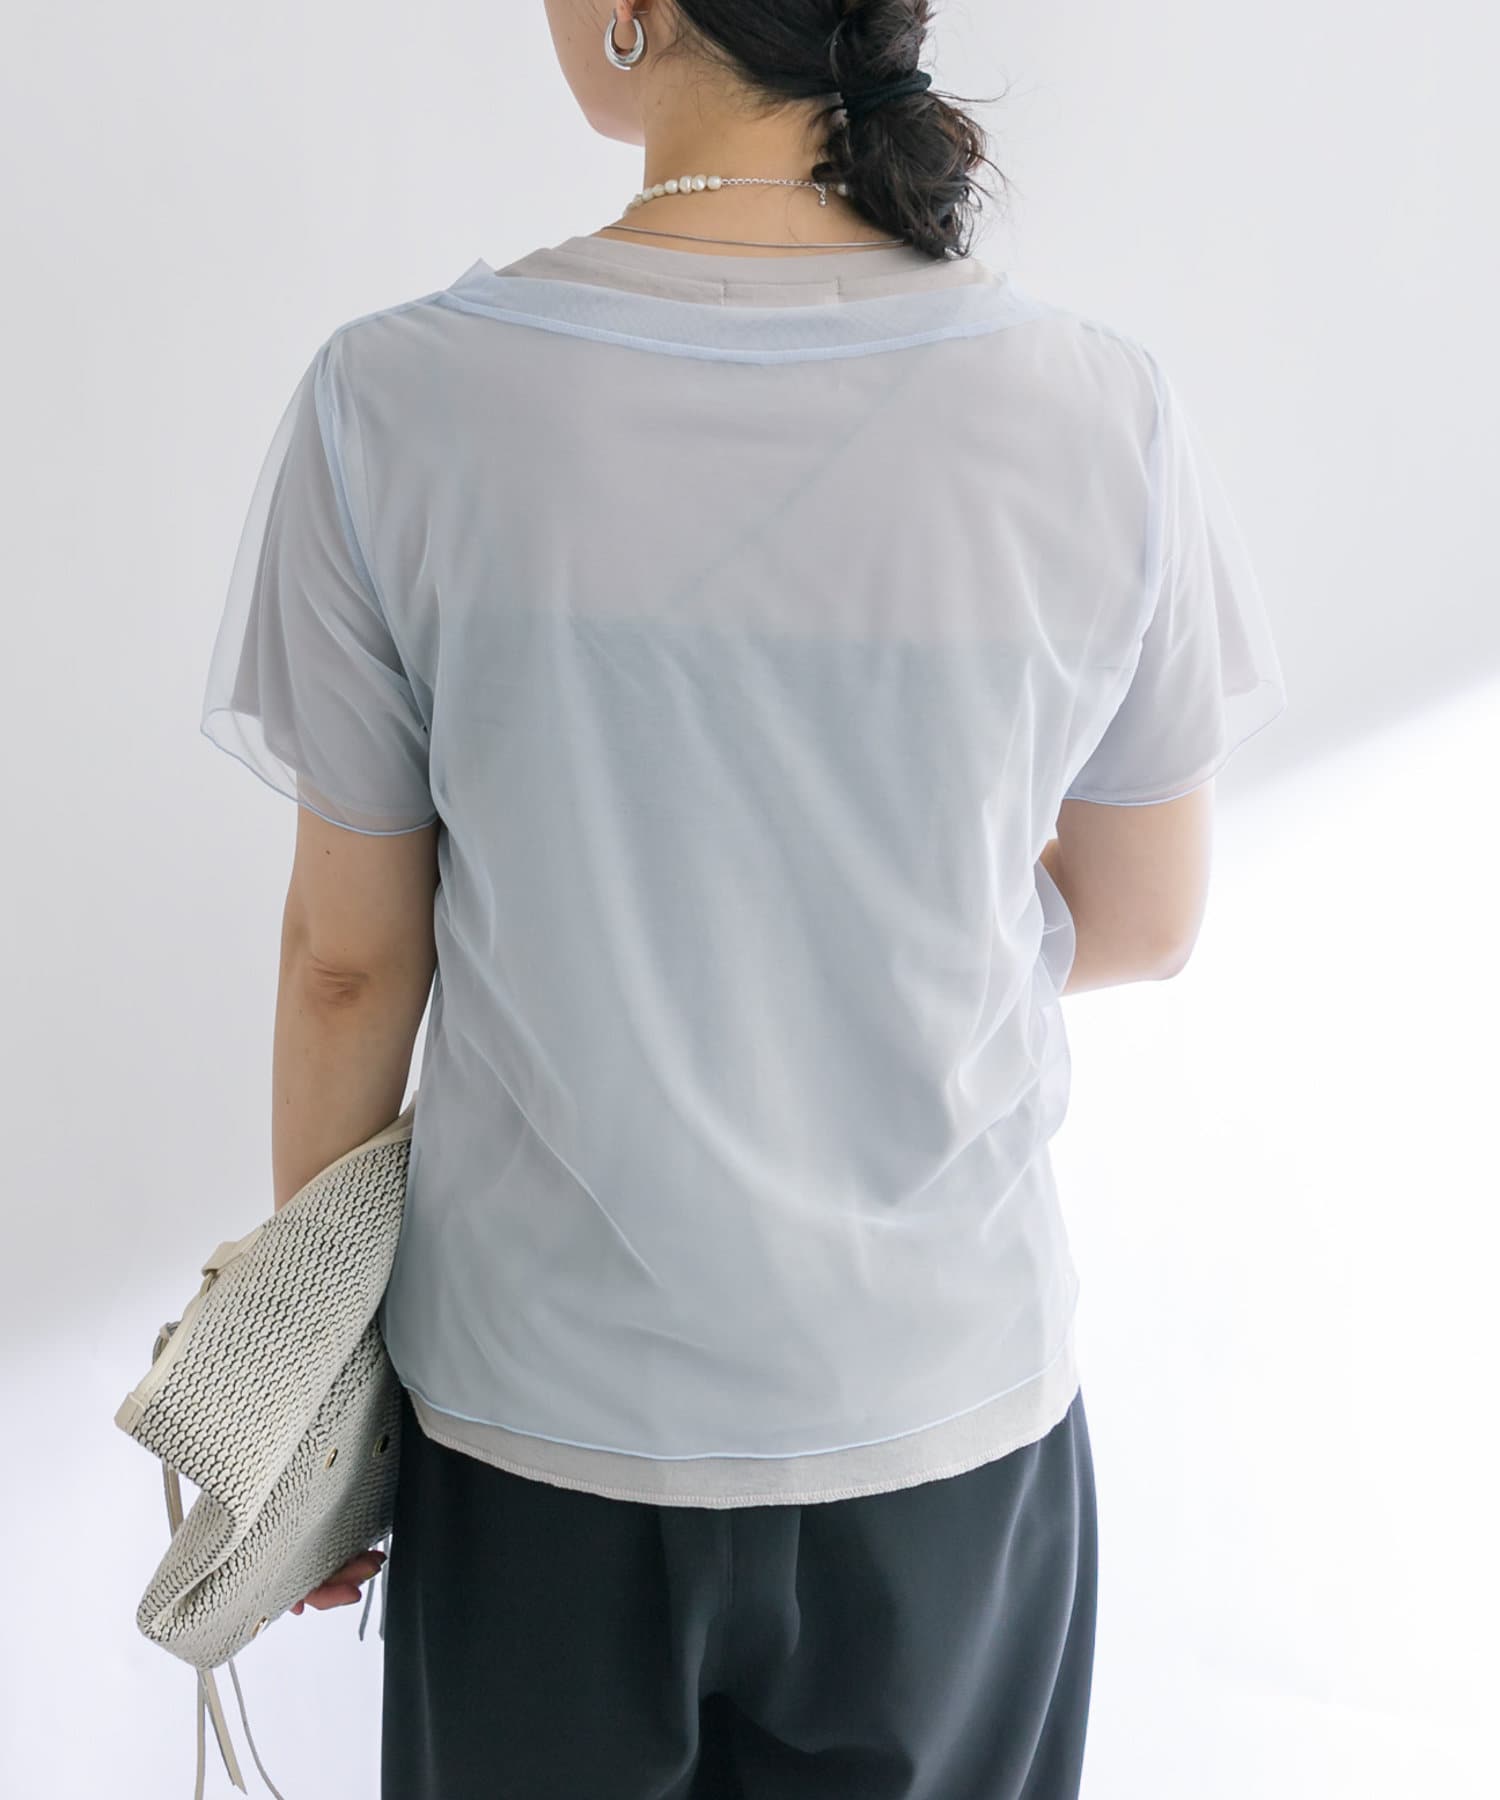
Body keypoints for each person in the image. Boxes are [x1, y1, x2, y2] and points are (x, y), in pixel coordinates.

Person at [199, 2, 1289, 1794]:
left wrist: (308, 1395)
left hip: (538, 1434)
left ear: (638, 10)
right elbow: (1148, 915)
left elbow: (346, 965)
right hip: (946, 1426)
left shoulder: (395, 400)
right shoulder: (1096, 406)